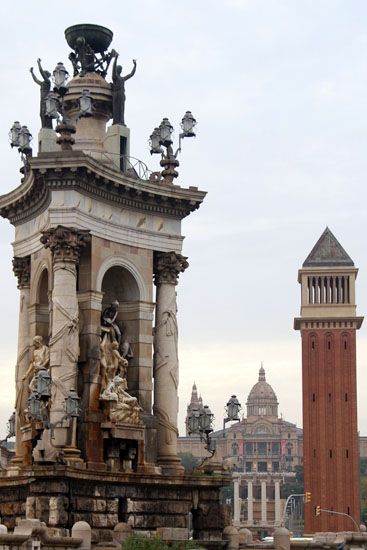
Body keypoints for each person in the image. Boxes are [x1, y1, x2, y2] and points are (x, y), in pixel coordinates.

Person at [111, 53, 137, 125]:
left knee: (122, 108)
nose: (119, 70)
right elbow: (113, 70)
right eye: (119, 69)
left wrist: (135, 65)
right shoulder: (115, 78)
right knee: (116, 108)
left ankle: (121, 121)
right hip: (116, 93)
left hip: (121, 93)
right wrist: (115, 59)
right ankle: (116, 122)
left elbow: (131, 74)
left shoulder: (122, 79)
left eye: (120, 69)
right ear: (117, 70)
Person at [30, 59, 53, 129]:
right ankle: (43, 127)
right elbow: (35, 80)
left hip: (47, 100)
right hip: (42, 100)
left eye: (44, 74)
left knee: (47, 114)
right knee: (41, 114)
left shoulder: (48, 82)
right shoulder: (42, 83)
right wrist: (32, 72)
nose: (43, 75)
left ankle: (48, 127)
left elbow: (40, 71)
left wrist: (39, 63)